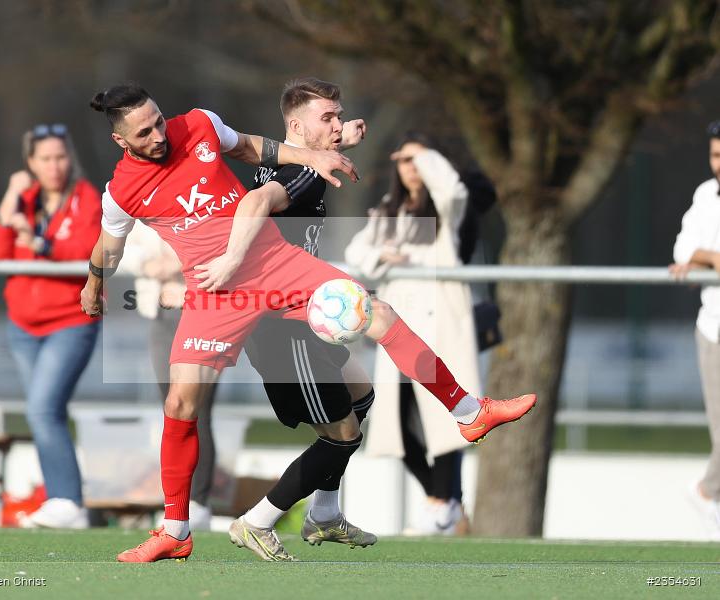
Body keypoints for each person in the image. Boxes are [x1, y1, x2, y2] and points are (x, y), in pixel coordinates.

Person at [80, 82, 536, 563]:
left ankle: (468, 412)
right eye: (145, 131)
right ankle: (175, 530)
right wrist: (93, 283)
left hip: (274, 261)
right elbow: (109, 246)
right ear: (120, 141)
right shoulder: (121, 192)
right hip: (215, 290)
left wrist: (308, 156)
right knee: (180, 400)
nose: (159, 134)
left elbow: (254, 146)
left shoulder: (197, 123)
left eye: (157, 120)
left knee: (378, 313)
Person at [231, 77, 379, 561]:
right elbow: (258, 202)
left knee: (362, 395)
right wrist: (233, 262)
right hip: (283, 328)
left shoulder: (305, 162)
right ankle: (259, 520)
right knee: (342, 437)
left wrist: (342, 139)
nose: (336, 126)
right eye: (327, 118)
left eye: (339, 116)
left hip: (305, 321)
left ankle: (325, 513)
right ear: (296, 126)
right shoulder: (298, 174)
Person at [345, 131, 480, 535]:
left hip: (440, 326)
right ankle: (444, 499)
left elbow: (452, 189)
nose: (412, 169)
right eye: (405, 161)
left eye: (418, 161)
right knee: (395, 422)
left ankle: (443, 504)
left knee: (447, 413)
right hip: (399, 329)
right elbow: (356, 253)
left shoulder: (444, 210)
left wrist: (425, 153)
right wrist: (381, 255)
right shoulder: (387, 212)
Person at [0, 124, 102, 529]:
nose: (54, 166)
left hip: (70, 320)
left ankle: (68, 501)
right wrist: (10, 199)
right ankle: (63, 502)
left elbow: (88, 250)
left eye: (60, 157)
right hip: (23, 326)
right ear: (30, 164)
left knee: (42, 408)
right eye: (45, 159)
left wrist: (40, 244)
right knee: (43, 413)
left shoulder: (87, 198)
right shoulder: (26, 198)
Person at [121, 223, 218, 529]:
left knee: (197, 410)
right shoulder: (144, 201)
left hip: (203, 310)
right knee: (173, 410)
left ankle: (198, 502)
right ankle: (176, 503)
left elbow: (225, 244)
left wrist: (182, 260)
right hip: (162, 312)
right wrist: (148, 264)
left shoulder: (205, 198)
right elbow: (114, 244)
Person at [670, 119, 720, 539]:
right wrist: (712, 256)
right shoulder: (706, 195)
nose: (719, 164)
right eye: (715, 155)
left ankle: (707, 492)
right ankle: (708, 493)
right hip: (715, 330)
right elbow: (683, 251)